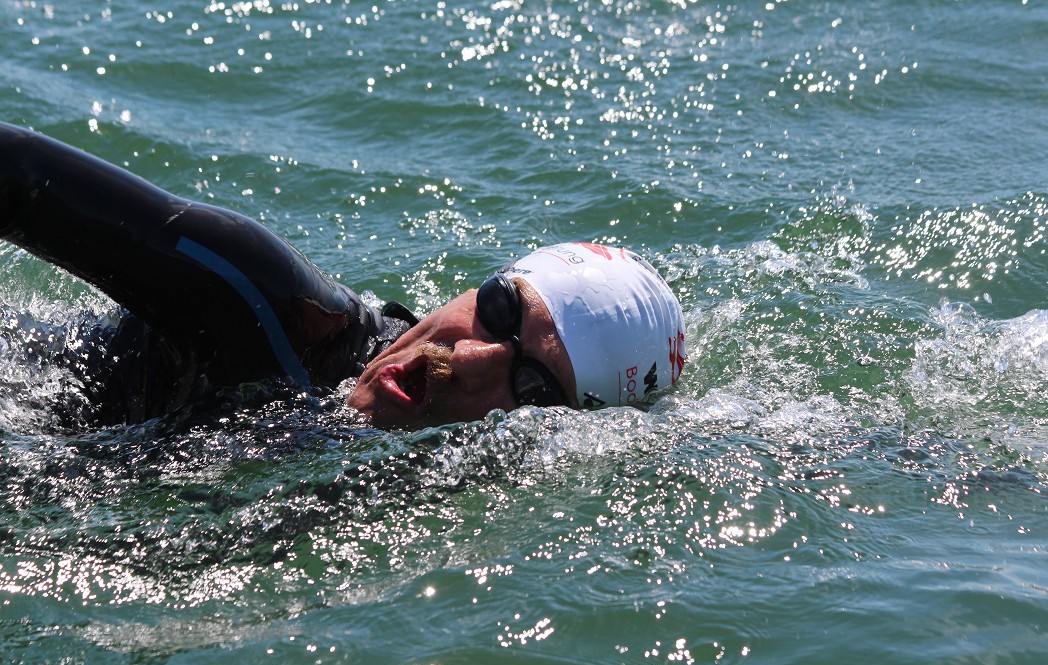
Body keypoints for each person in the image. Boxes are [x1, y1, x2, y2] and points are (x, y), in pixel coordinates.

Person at [0, 122, 685, 430]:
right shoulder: (269, 308)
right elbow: (17, 175)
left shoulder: (439, 500)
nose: (467, 358)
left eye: (533, 388)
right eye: (502, 311)